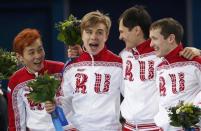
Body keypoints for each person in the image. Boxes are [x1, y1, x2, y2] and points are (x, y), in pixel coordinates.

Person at [45, 11, 123, 130]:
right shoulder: (71, 67)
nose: (94, 37)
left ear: (106, 36)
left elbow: (133, 96)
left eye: (99, 32)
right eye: (89, 32)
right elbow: (65, 102)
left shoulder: (118, 64)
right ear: (82, 35)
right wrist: (55, 106)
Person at [7, 28, 64, 131]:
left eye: (40, 49)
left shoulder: (61, 70)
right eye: (31, 52)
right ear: (20, 57)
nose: (38, 56)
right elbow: (16, 122)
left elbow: (77, 100)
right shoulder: (16, 81)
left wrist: (58, 103)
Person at [149, 17, 201, 131]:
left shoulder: (195, 63)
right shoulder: (160, 68)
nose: (151, 44)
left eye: (154, 38)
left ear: (171, 38)